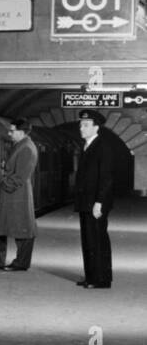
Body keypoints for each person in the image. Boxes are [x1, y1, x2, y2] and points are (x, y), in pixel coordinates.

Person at [0, 118, 37, 272]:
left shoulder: (27, 147)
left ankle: (21, 263)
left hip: (16, 195)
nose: (9, 133)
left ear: (21, 132)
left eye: (12, 130)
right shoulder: (20, 145)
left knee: (22, 230)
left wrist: (3, 184)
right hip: (10, 194)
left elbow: (20, 176)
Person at [74, 110, 116, 289]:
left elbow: (106, 178)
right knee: (88, 240)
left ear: (96, 127)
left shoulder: (102, 146)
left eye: (85, 125)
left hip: (95, 203)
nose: (81, 128)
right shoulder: (87, 146)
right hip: (86, 202)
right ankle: (91, 276)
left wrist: (99, 202)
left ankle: (102, 279)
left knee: (97, 240)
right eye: (81, 125)